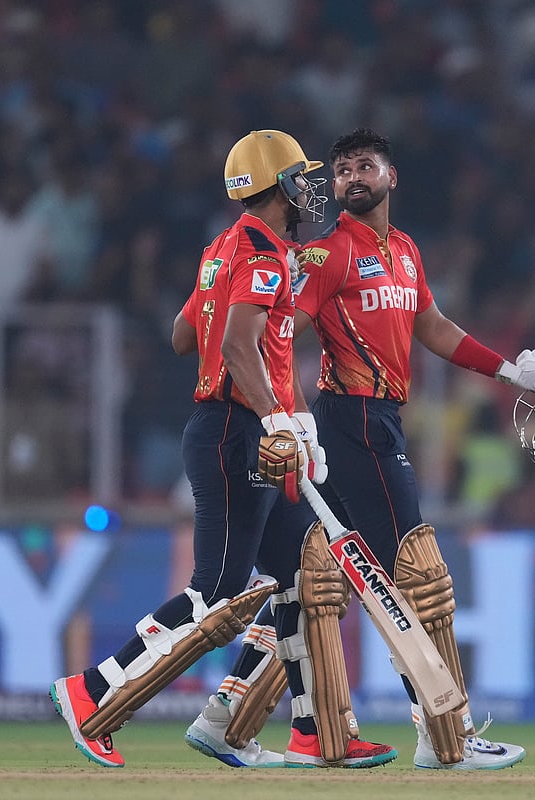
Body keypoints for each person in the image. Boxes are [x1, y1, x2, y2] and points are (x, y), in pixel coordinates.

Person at [192, 128, 535, 771]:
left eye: (364, 166)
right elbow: (277, 326)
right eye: (341, 169)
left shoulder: (403, 250)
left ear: (390, 177)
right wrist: (282, 414)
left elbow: (432, 327)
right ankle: (446, 738)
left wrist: (513, 372)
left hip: (370, 422)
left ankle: (225, 717)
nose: (350, 177)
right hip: (355, 422)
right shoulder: (327, 254)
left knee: (314, 581)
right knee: (419, 572)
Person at [52, 130, 394, 769]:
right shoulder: (261, 254)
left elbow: (185, 335)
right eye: (299, 178)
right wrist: (278, 420)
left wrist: (248, 308)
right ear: (278, 187)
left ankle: (309, 732)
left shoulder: (226, 247)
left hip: (232, 429)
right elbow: (236, 347)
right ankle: (89, 691)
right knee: (216, 593)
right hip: (238, 434)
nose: (307, 189)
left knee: (301, 575)